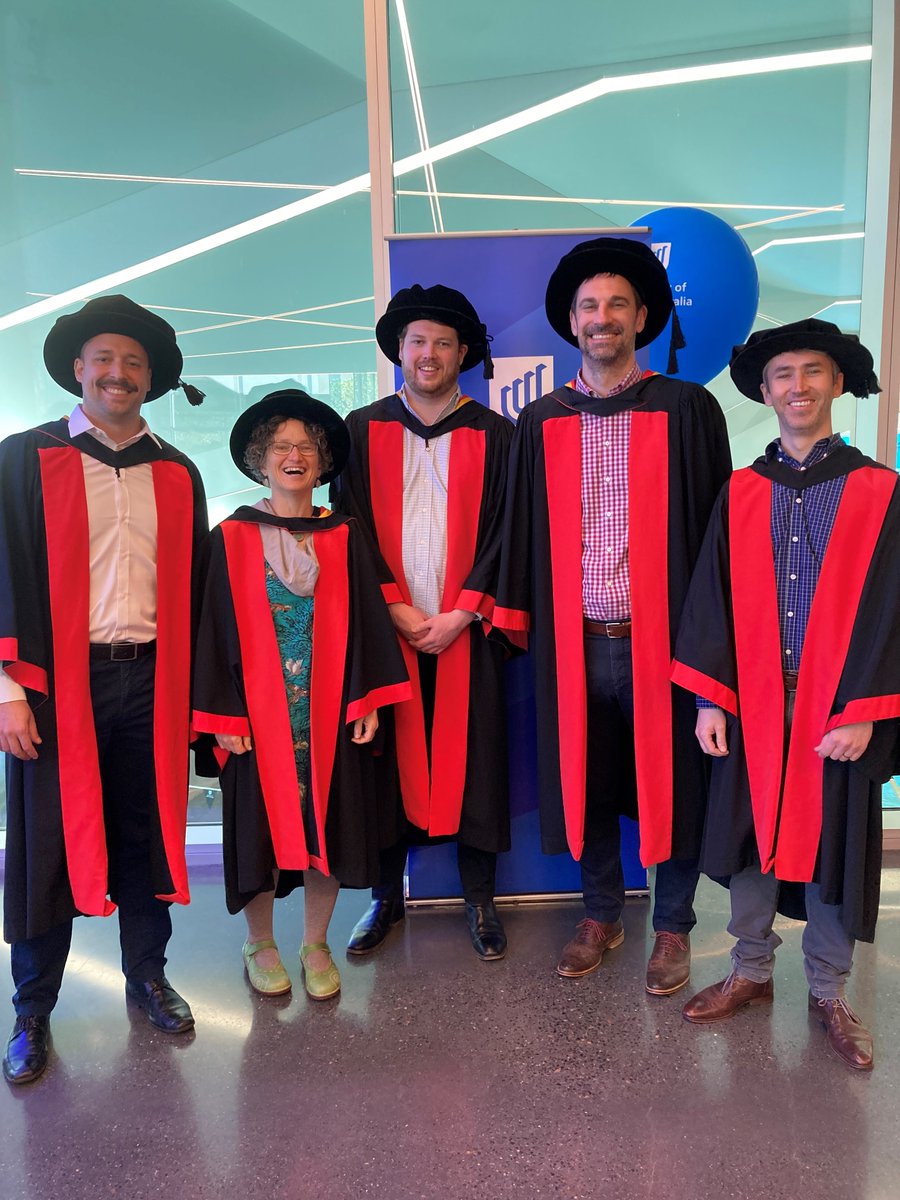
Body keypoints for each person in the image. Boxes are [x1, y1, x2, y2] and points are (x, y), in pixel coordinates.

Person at [495, 238, 731, 992]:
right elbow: (517, 533)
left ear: (642, 318)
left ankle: (673, 926)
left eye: (618, 305)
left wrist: (709, 648)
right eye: (590, 306)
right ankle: (601, 911)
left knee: (680, 783)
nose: (603, 319)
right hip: (576, 643)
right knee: (588, 780)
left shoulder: (687, 409)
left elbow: (717, 535)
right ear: (572, 321)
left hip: (663, 643)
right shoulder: (540, 420)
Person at [673, 319, 899, 1070]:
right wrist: (710, 699)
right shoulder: (740, 492)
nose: (797, 386)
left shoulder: (880, 491)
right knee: (749, 840)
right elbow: (710, 598)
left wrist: (867, 711)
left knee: (835, 845)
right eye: (782, 375)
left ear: (838, 383)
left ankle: (830, 989)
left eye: (812, 371)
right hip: (754, 703)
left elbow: (895, 608)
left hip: (838, 707)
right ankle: (752, 970)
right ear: (764, 391)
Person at [0, 295, 210, 1085]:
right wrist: (6, 691)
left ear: (149, 378)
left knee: (145, 836)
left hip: (152, 679)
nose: (117, 373)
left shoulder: (177, 474)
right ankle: (31, 1008)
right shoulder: (25, 457)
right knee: (45, 847)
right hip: (57, 685)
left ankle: (148, 976)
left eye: (133, 362)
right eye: (104, 359)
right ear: (78, 369)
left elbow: (193, 594)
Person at [192, 390, 411, 999]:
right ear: (260, 460)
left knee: (330, 827)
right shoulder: (231, 537)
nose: (295, 456)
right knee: (255, 828)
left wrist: (366, 701)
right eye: (281, 446)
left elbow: (369, 622)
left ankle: (315, 941)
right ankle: (260, 941)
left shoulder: (344, 535)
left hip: (329, 713)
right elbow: (209, 630)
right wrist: (220, 714)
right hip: (255, 717)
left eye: (307, 447)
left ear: (321, 463)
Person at [331, 285, 515, 960]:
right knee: (382, 761)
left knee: (479, 761)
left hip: (469, 628)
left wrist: (464, 610)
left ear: (463, 352)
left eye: (443, 342)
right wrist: (396, 607)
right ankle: (386, 900)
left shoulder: (497, 434)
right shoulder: (360, 429)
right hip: (387, 631)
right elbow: (348, 529)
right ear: (398, 351)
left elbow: (508, 532)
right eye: (417, 341)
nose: (429, 353)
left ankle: (480, 900)